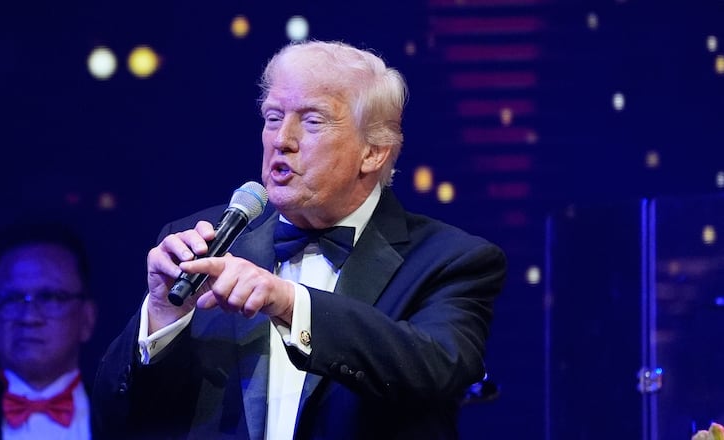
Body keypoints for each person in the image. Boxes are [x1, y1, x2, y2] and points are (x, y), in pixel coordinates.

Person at [92, 40, 507, 439]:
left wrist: (292, 304)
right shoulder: (202, 243)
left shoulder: (451, 259)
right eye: (273, 117)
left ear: (373, 152)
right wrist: (164, 315)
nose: (281, 140)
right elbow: (117, 420)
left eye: (312, 121)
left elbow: (439, 368)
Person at [0, 221, 98, 439]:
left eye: (49, 297)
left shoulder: (131, 423)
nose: (29, 317)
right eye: (11, 299)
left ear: (87, 318)